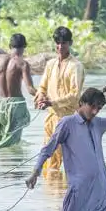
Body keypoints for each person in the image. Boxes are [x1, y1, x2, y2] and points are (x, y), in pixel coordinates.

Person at [25, 87, 106, 211]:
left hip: (101, 192)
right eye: (92, 106)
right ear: (81, 103)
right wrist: (35, 172)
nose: (95, 111)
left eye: (99, 108)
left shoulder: (98, 123)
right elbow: (48, 149)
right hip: (80, 192)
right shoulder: (67, 123)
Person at [33, 26, 86, 174]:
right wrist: (41, 98)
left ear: (70, 43)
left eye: (64, 43)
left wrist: (52, 102)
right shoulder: (50, 64)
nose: (60, 46)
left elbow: (75, 95)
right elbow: (42, 87)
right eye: (57, 43)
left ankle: (63, 192)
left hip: (69, 119)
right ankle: (51, 193)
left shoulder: (76, 66)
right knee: (48, 158)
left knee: (67, 160)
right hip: (51, 117)